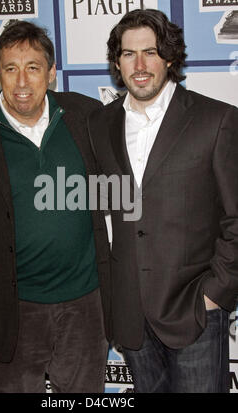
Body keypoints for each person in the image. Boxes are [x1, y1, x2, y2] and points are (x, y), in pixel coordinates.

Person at [0, 21, 110, 393]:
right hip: (10, 310)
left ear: (50, 73)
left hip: (85, 304)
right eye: (10, 69)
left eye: (32, 68)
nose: (21, 82)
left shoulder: (87, 115)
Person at [88, 8, 238, 393]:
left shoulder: (216, 120)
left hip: (194, 312)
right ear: (116, 62)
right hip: (132, 318)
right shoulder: (100, 124)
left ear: (169, 57)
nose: (139, 65)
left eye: (150, 52)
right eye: (127, 54)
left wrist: (214, 294)